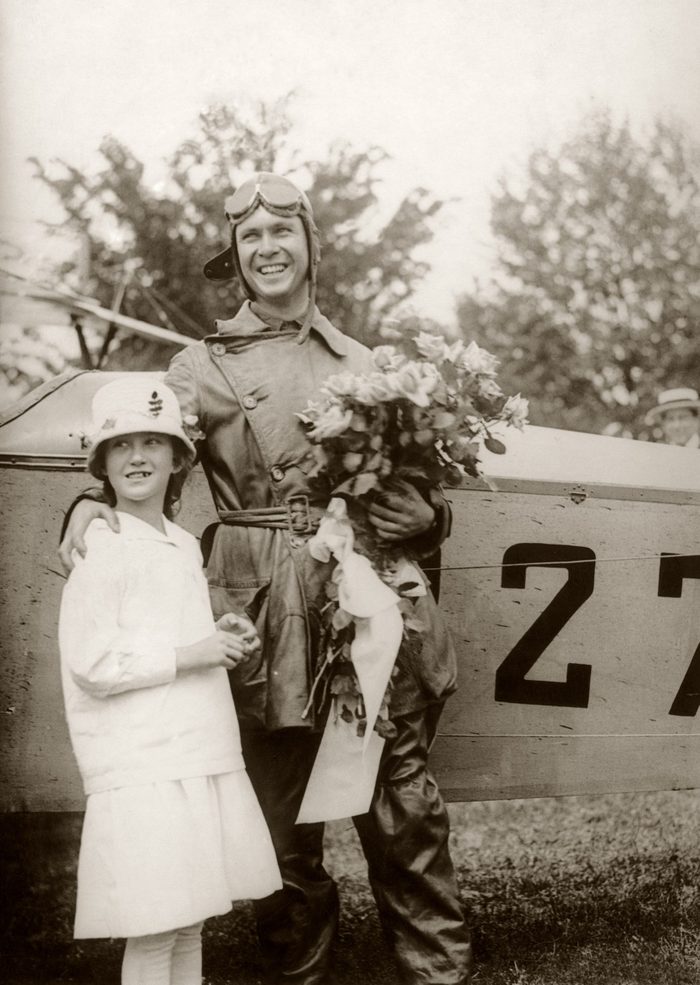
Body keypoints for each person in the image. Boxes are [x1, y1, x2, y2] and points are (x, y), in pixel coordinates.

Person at [59, 172, 472, 985]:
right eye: (251, 238)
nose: (268, 249)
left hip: (365, 598)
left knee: (403, 806)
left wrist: (426, 519)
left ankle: (440, 976)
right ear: (236, 259)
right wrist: (85, 501)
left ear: (311, 245)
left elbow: (425, 492)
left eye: (283, 232)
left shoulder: (367, 362)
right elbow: (139, 450)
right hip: (260, 603)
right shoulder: (200, 365)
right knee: (280, 825)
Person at [58, 377, 282, 985]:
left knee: (190, 921)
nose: (136, 457)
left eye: (152, 443)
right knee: (156, 927)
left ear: (180, 457)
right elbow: (93, 662)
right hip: (144, 766)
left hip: (197, 754)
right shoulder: (101, 546)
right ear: (101, 463)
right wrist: (193, 653)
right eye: (120, 445)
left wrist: (224, 636)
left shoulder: (182, 544)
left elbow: (175, 632)